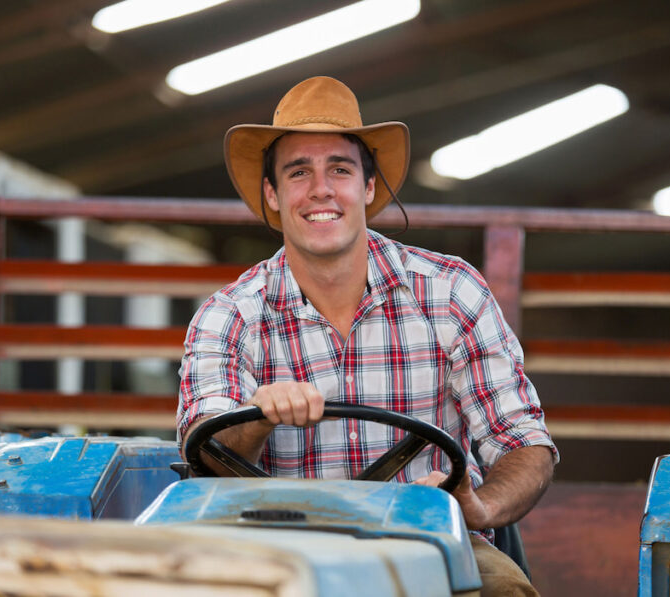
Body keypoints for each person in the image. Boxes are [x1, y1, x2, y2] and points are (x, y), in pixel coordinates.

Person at [178, 76, 557, 596]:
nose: (321, 190)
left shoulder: (451, 292)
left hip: (428, 544)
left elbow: (523, 440)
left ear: (369, 186)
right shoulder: (228, 315)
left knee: (502, 590)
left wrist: (481, 506)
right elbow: (205, 444)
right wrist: (257, 417)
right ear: (272, 193)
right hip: (281, 553)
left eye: (340, 169)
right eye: (298, 172)